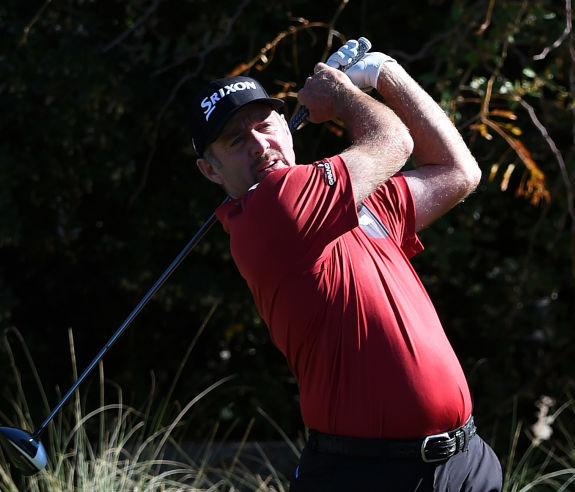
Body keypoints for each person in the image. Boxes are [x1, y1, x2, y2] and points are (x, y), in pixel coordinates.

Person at [186, 38, 503, 491]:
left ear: (287, 126)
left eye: (265, 124)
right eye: (237, 140)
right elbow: (395, 141)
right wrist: (348, 92)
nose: (260, 145)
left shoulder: (342, 202)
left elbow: (458, 172)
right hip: (366, 473)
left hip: (465, 462)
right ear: (211, 171)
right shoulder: (272, 209)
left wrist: (385, 72)